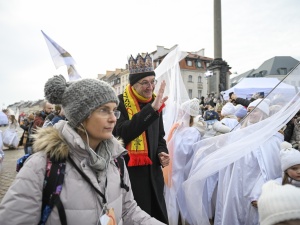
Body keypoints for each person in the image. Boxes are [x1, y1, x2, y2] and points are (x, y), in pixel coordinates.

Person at [0, 75, 165, 225]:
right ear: (80, 116)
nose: (113, 118)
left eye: (114, 110)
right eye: (104, 110)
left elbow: (128, 211)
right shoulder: (42, 166)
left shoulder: (116, 160)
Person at [113, 53, 169, 224]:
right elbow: (122, 133)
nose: (150, 87)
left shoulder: (155, 102)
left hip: (153, 175)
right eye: (145, 82)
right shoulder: (120, 103)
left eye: (153, 82)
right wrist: (151, 110)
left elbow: (160, 136)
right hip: (132, 177)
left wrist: (162, 152)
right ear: (133, 84)